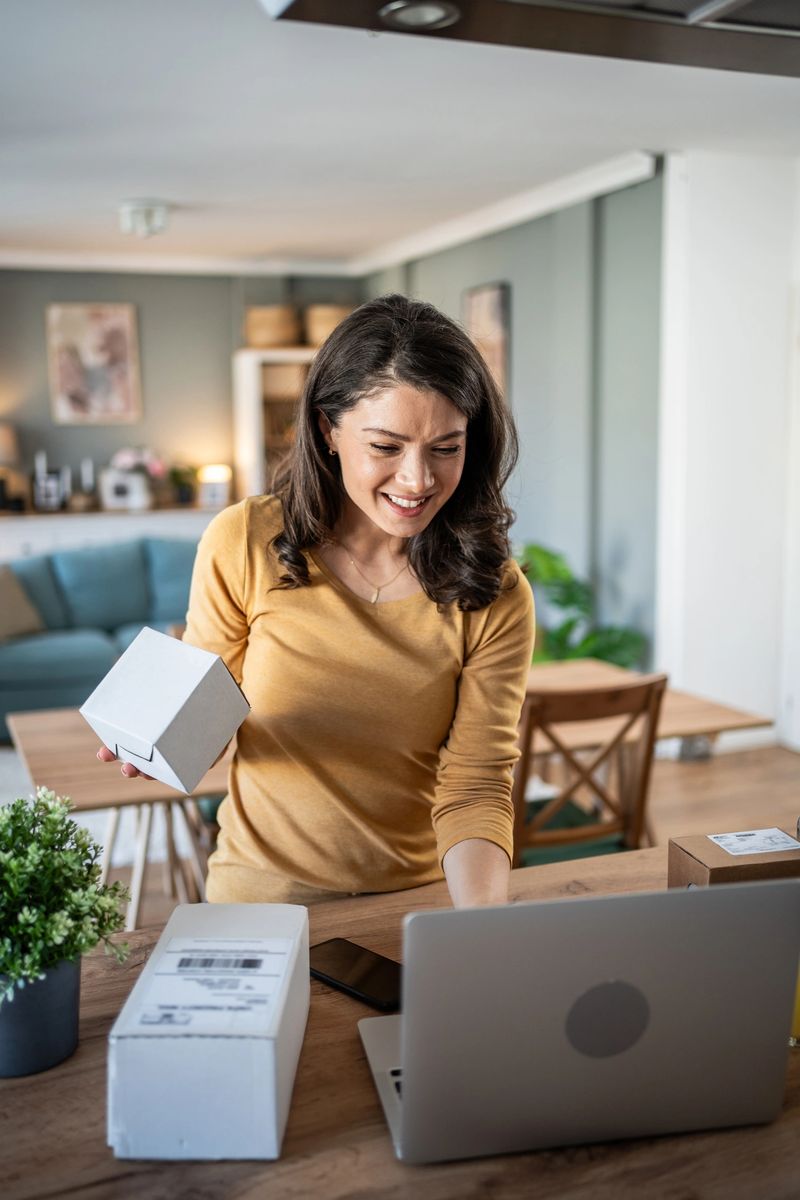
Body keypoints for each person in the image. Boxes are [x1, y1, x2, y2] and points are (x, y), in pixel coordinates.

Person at [98, 294, 534, 907]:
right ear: (328, 430)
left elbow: (477, 785)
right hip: (260, 897)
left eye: (446, 448)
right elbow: (205, 720)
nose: (418, 481)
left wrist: (480, 930)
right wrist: (162, 741)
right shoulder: (246, 541)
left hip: (414, 902)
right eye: (386, 447)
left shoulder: (494, 591)